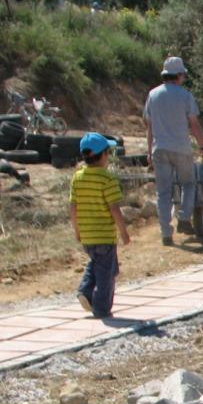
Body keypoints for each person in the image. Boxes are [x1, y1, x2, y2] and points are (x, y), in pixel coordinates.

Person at [143, 56, 203, 246]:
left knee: (163, 192)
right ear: (179, 75)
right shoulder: (185, 96)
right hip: (181, 148)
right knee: (189, 183)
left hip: (159, 149)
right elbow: (195, 125)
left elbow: (149, 126)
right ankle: (183, 217)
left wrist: (149, 152)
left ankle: (166, 233)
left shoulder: (153, 95)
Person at [69, 133, 130, 318]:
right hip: (104, 235)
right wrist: (124, 232)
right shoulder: (107, 179)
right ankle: (102, 308)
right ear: (103, 155)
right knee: (106, 274)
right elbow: (114, 209)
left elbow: (73, 207)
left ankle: (85, 292)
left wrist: (77, 231)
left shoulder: (77, 178)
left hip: (87, 235)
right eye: (109, 152)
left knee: (95, 264)